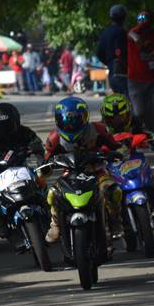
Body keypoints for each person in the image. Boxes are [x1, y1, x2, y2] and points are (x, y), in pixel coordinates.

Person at [42, 96, 125, 245]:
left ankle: (115, 220)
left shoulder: (97, 129)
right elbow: (46, 158)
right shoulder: (54, 137)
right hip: (69, 174)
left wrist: (116, 153)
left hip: (96, 171)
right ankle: (55, 224)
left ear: (84, 117)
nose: (70, 123)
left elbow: (115, 145)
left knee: (113, 190)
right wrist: (45, 167)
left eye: (75, 119)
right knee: (52, 194)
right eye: (66, 119)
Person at [125, 10, 154, 159]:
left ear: (151, 21)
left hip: (153, 80)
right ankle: (152, 138)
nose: (142, 21)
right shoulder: (133, 33)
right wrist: (138, 38)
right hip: (135, 81)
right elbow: (131, 34)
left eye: (146, 18)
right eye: (140, 18)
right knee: (139, 113)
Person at [97, 5, 129, 96]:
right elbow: (122, 53)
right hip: (123, 74)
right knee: (128, 101)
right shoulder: (121, 32)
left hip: (112, 74)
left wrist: (109, 63)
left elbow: (99, 53)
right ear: (124, 17)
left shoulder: (105, 32)